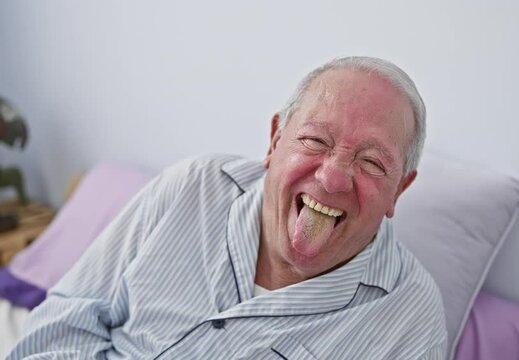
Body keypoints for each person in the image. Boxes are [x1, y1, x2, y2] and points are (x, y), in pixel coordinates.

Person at [9, 56, 447, 359]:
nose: (333, 178)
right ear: (275, 140)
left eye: (371, 162)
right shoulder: (195, 186)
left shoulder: (411, 319)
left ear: (399, 191)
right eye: (315, 140)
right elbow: (65, 321)